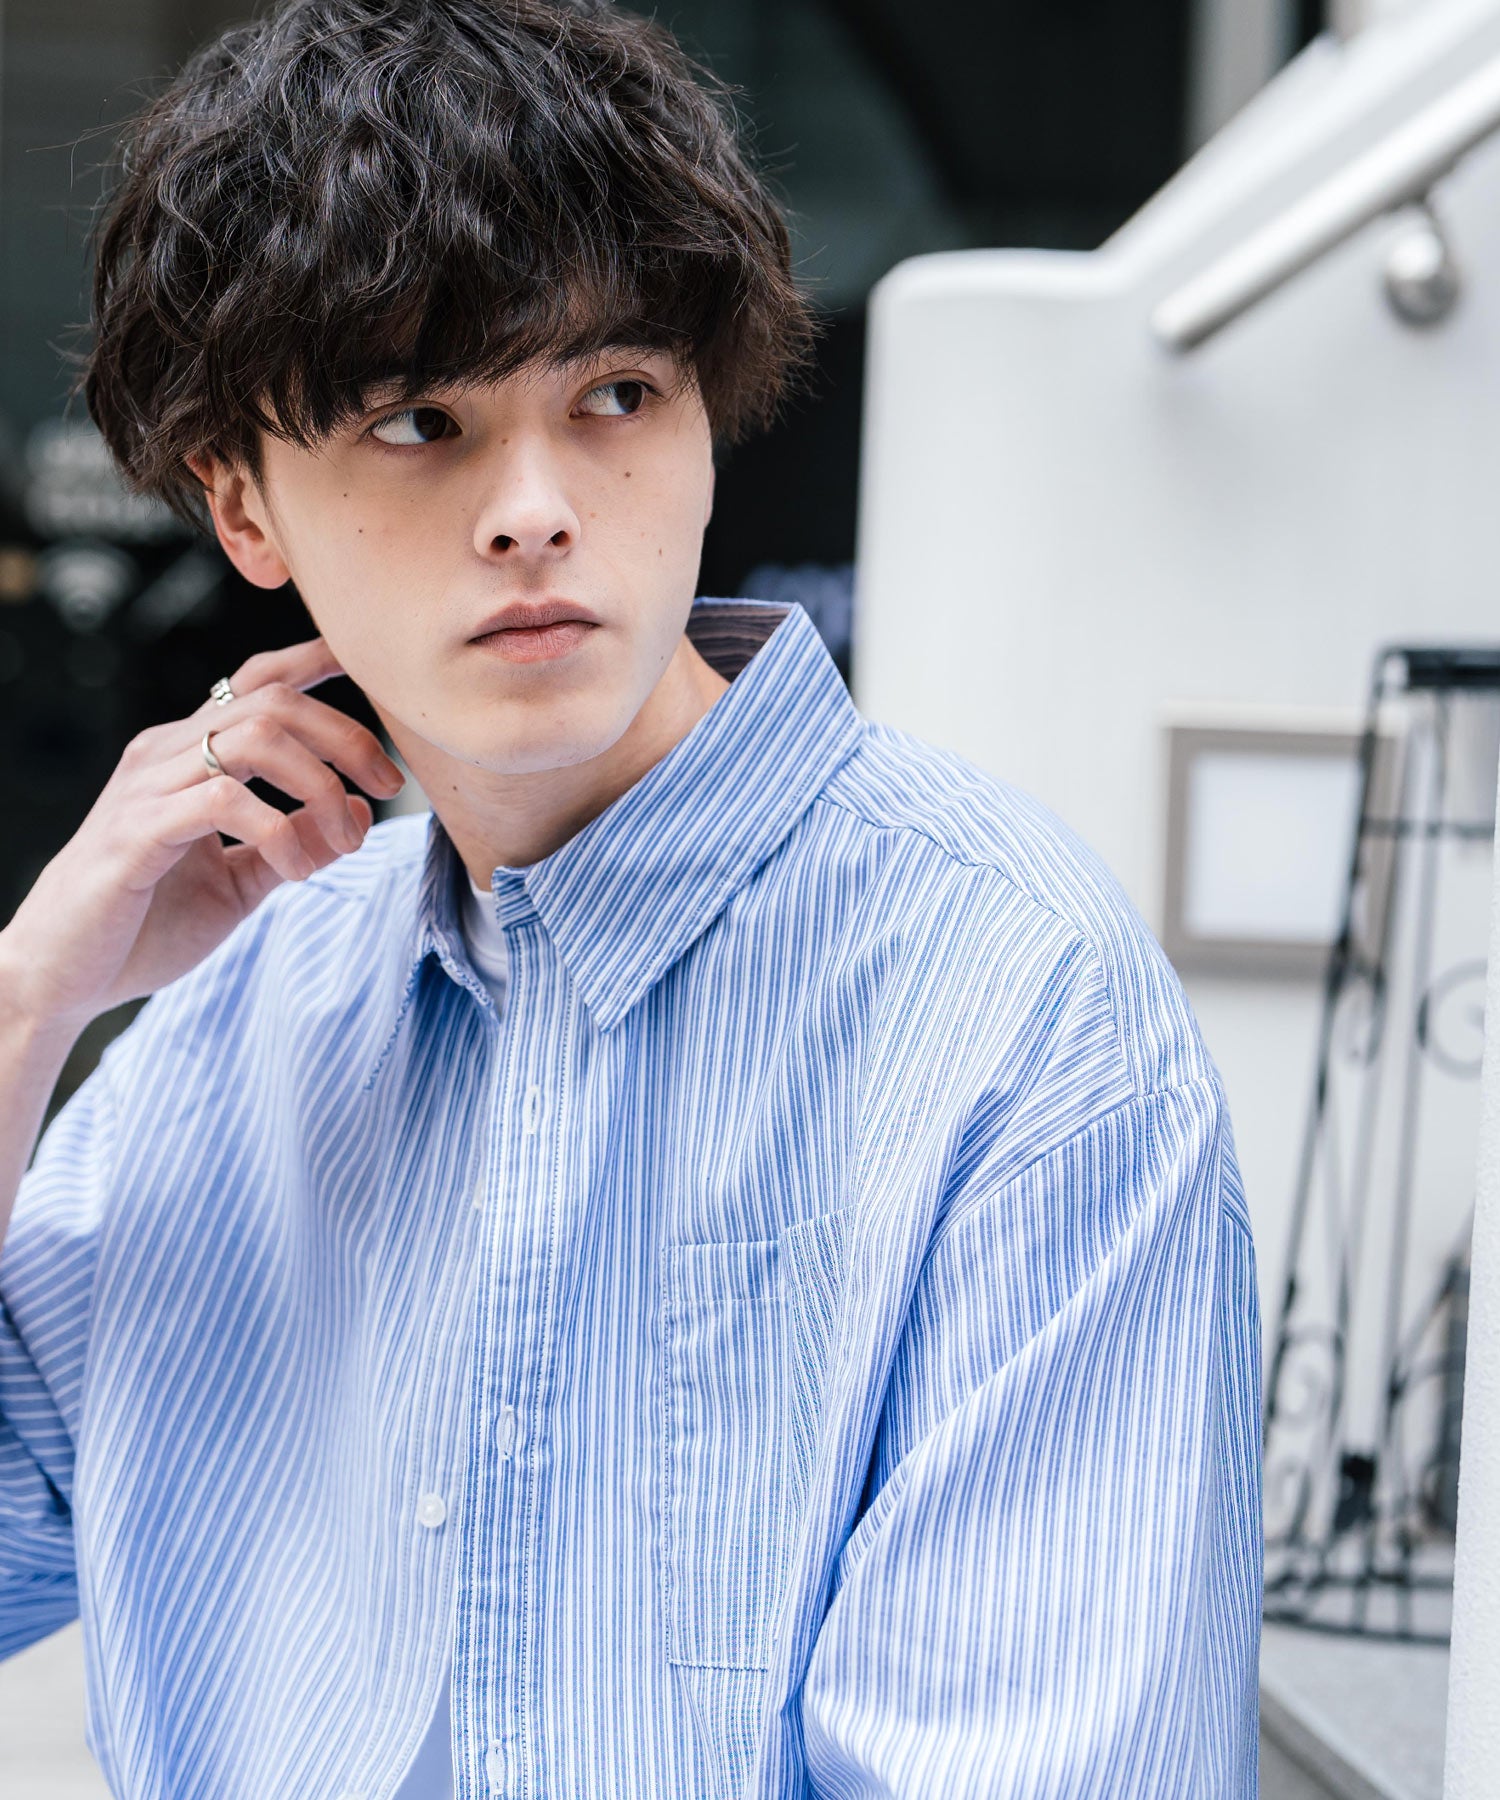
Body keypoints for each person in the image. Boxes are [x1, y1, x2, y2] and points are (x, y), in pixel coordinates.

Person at [0, 1, 1262, 1794]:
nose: (535, 509)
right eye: (420, 419)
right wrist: (25, 1001)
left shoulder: (1010, 1004)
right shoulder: (233, 1021)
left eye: (615, 396)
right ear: (241, 506)